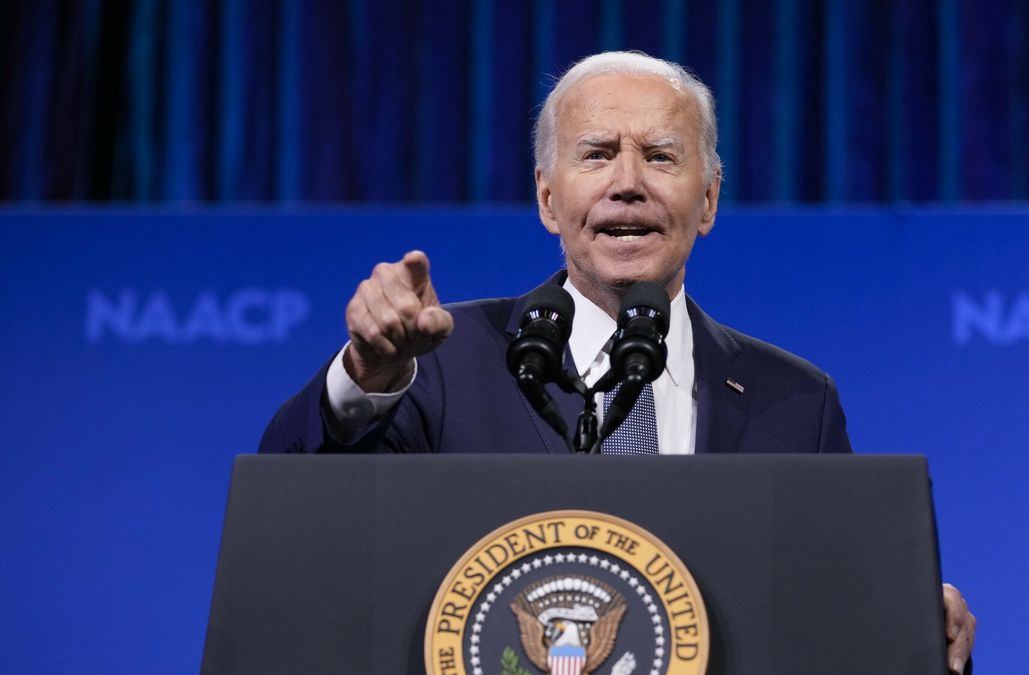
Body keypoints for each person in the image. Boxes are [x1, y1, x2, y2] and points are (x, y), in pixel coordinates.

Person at [259, 51, 975, 672]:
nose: (628, 182)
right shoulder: (446, 361)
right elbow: (294, 518)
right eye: (597, 153)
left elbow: (833, 614)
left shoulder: (795, 400)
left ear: (708, 199)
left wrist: (906, 625)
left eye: (660, 156)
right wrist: (366, 376)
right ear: (547, 197)